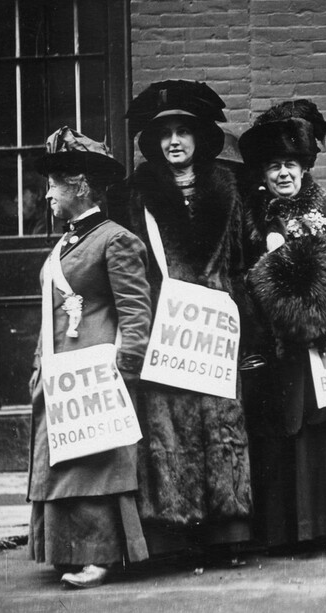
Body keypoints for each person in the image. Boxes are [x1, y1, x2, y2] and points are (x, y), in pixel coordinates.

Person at [111, 80, 253, 563]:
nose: (174, 141)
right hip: (164, 328)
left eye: (183, 132)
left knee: (220, 421)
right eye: (164, 133)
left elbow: (239, 261)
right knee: (167, 427)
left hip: (215, 328)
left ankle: (227, 532)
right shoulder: (134, 196)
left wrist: (242, 319)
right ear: (153, 143)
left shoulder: (228, 191)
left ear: (199, 139)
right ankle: (175, 532)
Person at [27, 127, 151, 589]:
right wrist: (41, 366)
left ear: (79, 185)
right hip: (60, 373)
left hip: (95, 373)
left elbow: (136, 312)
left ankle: (101, 556)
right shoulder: (65, 244)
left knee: (97, 464)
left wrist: (123, 367)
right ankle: (66, 553)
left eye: (54, 185)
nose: (47, 195)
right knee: (65, 464)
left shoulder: (116, 239)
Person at [239, 101, 326, 552]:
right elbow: (241, 270)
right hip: (273, 340)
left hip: (324, 333)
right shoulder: (253, 213)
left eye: (290, 164)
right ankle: (281, 534)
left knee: (323, 428)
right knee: (279, 429)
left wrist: (305, 248)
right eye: (274, 167)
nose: (284, 174)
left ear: (304, 168)